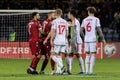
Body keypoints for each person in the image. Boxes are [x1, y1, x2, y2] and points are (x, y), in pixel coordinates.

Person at [80, 7, 106, 75]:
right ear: (94, 12)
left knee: (87, 54)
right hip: (92, 39)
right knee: (93, 54)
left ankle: (86, 71)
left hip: (86, 39)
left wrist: (84, 37)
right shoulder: (96, 19)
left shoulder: (84, 20)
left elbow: (80, 31)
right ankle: (91, 71)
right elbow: (99, 30)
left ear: (89, 12)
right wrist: (102, 38)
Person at [66, 9, 85, 75]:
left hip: (76, 41)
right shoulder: (73, 21)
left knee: (78, 55)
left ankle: (83, 70)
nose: (68, 15)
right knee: (70, 54)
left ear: (71, 14)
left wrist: (72, 41)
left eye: (68, 14)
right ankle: (70, 70)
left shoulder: (75, 21)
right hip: (73, 40)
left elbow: (75, 32)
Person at [50, 9, 69, 75]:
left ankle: (62, 67)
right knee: (59, 56)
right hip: (63, 41)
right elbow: (67, 34)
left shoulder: (55, 21)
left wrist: (51, 39)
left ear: (56, 14)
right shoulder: (65, 22)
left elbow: (53, 31)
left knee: (52, 55)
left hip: (57, 40)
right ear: (61, 14)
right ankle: (58, 71)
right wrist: (64, 39)